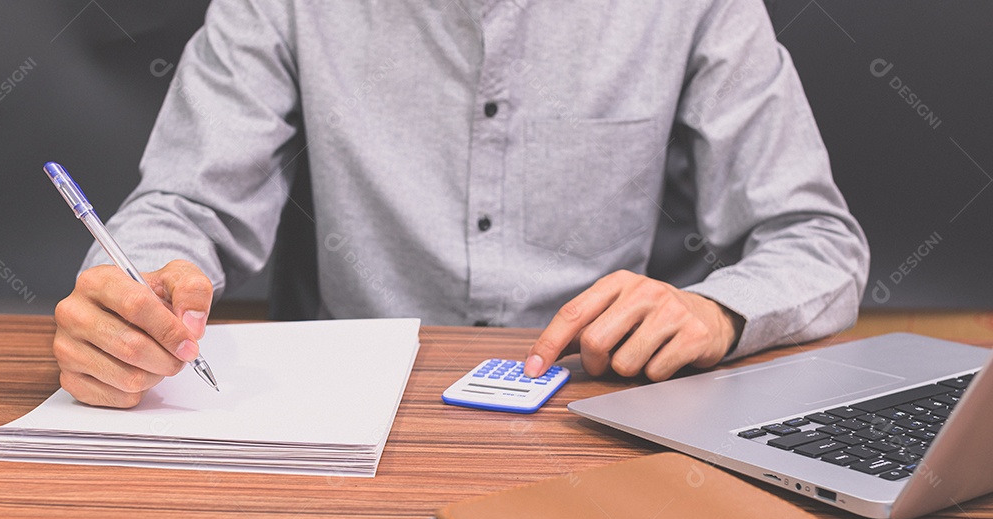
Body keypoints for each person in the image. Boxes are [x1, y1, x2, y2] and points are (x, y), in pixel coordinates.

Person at [53, 0, 869, 408]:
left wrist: (717, 312)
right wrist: (135, 297)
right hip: (347, 426)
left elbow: (815, 239)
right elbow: (184, 203)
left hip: (599, 417)